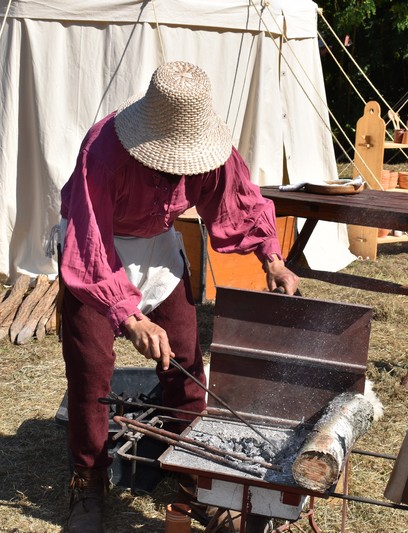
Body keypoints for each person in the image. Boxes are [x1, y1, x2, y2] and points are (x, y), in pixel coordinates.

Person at [58, 60, 299, 532]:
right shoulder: (103, 151)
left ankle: (195, 479)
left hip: (160, 250)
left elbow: (238, 201)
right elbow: (88, 242)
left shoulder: (213, 151)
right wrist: (131, 317)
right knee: (90, 372)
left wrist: (271, 257)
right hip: (96, 252)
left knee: (186, 363)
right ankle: (87, 485)